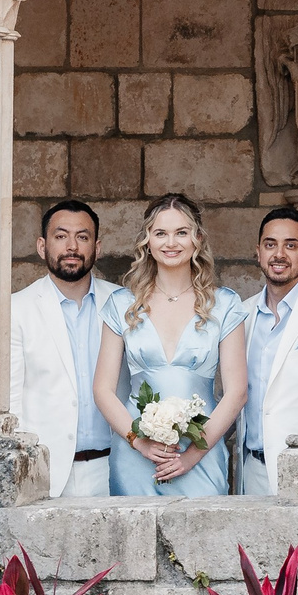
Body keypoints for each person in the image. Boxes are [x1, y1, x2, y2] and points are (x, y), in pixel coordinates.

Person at [90, 193, 248, 498]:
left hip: (201, 452)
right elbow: (103, 390)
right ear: (147, 240)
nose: (171, 243)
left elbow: (237, 392)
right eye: (160, 233)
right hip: (136, 456)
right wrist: (140, 442)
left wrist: (190, 457)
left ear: (197, 239)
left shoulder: (224, 304)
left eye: (181, 233)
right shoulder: (123, 304)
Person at [8, 199, 124, 497]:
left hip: (117, 465)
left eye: (82, 237)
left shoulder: (125, 303)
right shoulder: (17, 309)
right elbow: (12, 401)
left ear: (97, 247)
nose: (72, 246)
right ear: (41, 245)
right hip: (48, 473)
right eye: (61, 236)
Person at [239, 205, 298, 496]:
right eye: (271, 244)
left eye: (291, 245)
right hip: (251, 471)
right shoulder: (242, 315)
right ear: (258, 252)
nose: (279, 254)